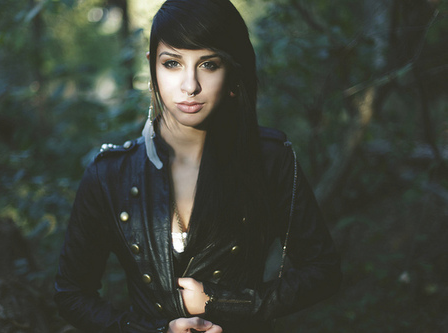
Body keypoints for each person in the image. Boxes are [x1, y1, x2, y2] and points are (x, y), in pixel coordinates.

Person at [54, 0, 342, 332]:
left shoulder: (270, 160)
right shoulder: (108, 175)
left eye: (208, 64)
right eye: (173, 63)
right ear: (152, 67)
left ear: (233, 70)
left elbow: (323, 271)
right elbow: (72, 294)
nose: (190, 85)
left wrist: (219, 303)